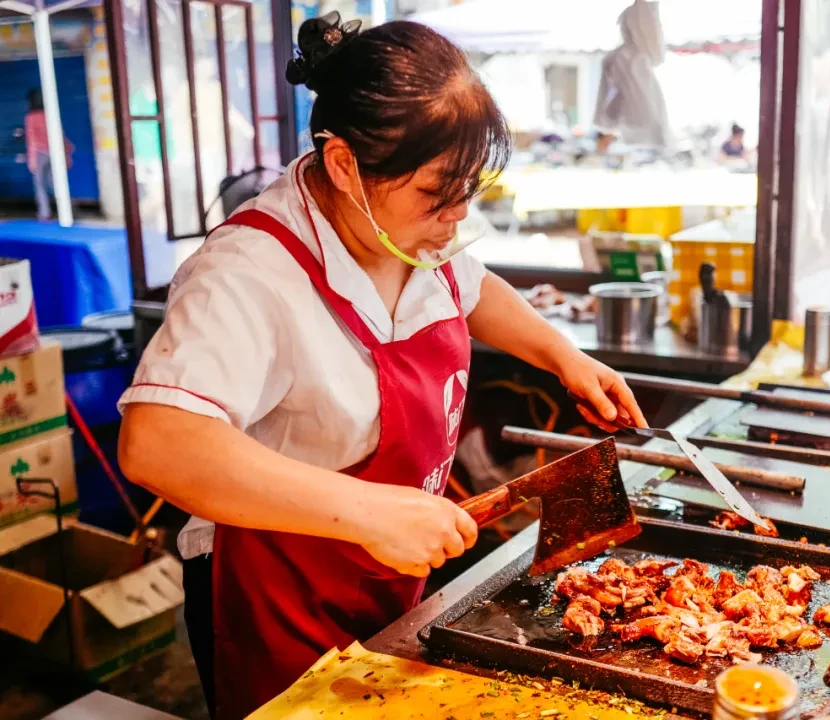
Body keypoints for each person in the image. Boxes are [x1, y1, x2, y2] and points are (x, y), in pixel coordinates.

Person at [116, 14, 645, 720]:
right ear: (343, 164)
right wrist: (369, 512)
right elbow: (158, 442)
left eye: (468, 193)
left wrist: (564, 357)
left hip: (386, 576)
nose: (455, 218)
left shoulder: (410, 233)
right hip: (273, 594)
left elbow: (473, 285)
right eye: (436, 194)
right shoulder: (247, 272)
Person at [24, 89, 72, 221]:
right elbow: (60, 133)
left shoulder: (30, 117)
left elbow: (31, 139)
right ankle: (66, 209)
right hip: (55, 152)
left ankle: (45, 213)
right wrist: (67, 150)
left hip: (40, 154)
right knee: (56, 183)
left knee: (40, 185)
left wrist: (32, 160)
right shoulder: (50, 114)